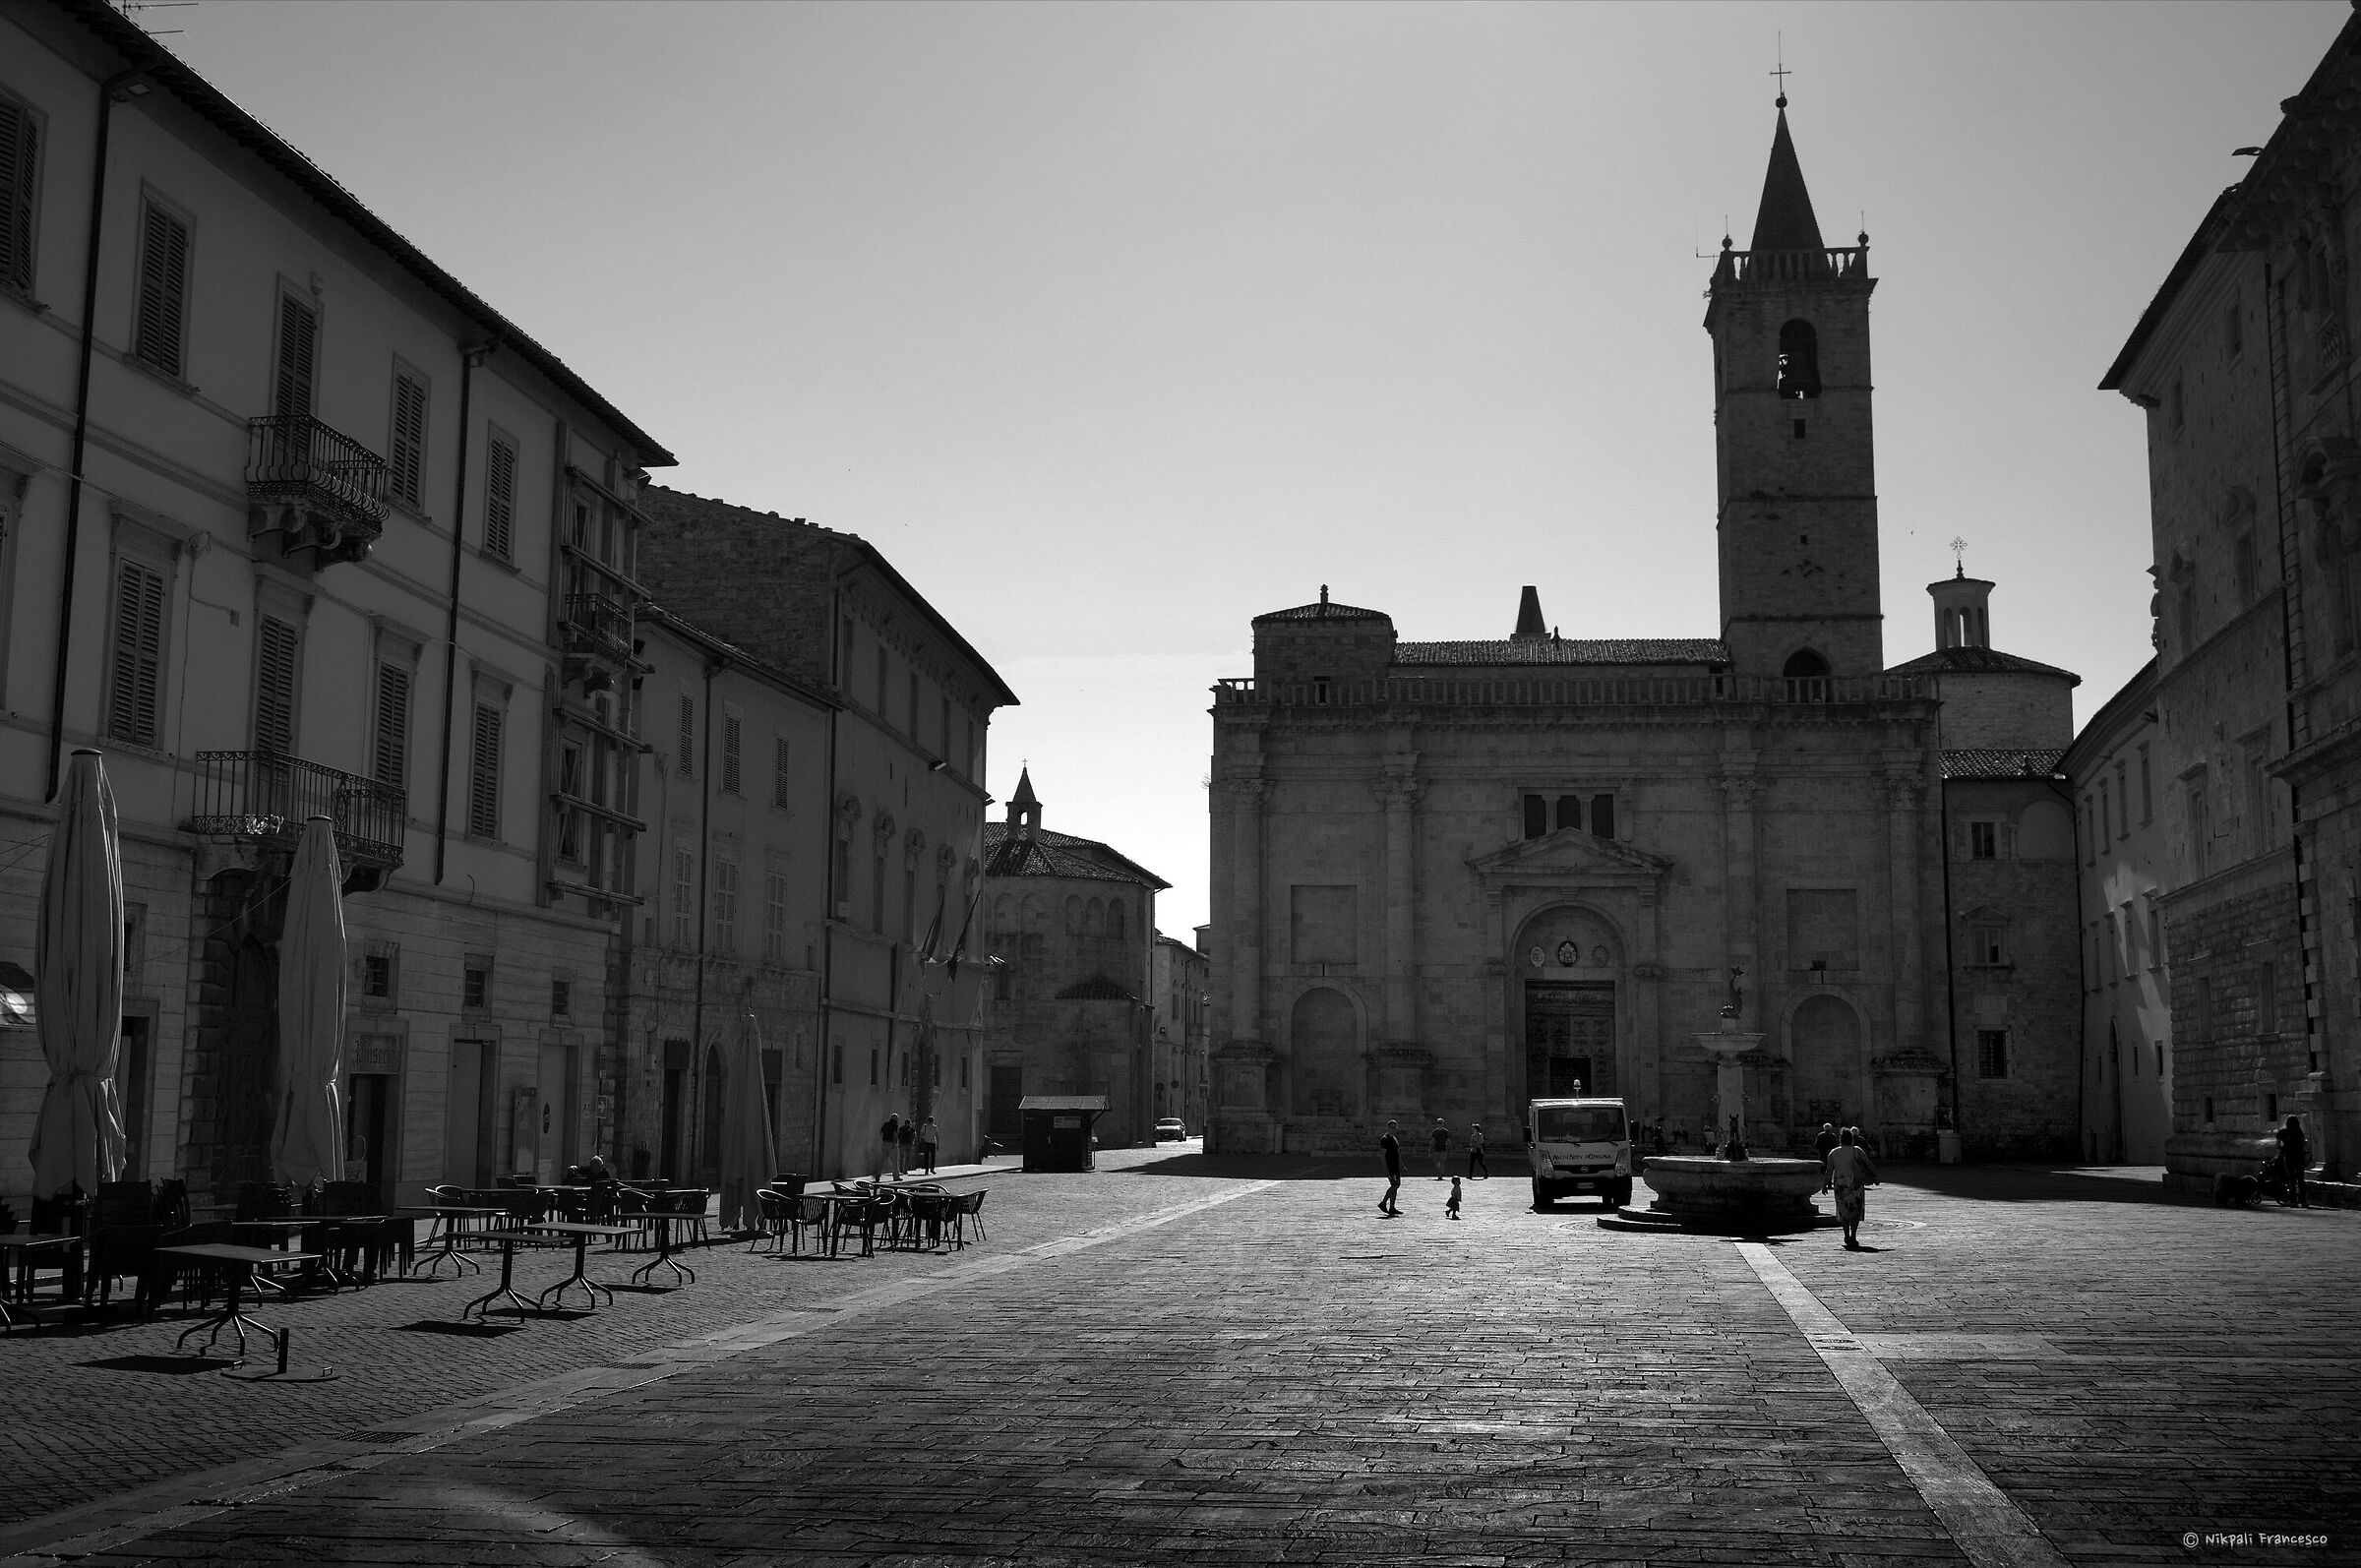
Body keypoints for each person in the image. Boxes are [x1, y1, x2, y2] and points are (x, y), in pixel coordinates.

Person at [1826, 1126, 1879, 1249]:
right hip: (1855, 1184)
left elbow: (1829, 1170)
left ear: (1840, 1139)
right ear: (1851, 1139)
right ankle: (1853, 1236)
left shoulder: (1834, 1152)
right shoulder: (1857, 1150)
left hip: (1841, 1186)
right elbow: (1868, 1163)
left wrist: (1824, 1184)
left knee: (1843, 1211)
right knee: (1855, 1211)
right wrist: (1876, 1176)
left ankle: (1846, 1235)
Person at [2278, 1114, 2312, 1208]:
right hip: (2299, 1156)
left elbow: (2278, 1145)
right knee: (2301, 1178)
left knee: (2291, 1178)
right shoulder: (2299, 1132)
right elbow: (2304, 1144)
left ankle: (2292, 1199)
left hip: (2289, 1157)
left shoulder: (2283, 1132)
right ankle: (2303, 1200)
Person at [1378, 1120, 1403, 1216]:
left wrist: (1402, 1164)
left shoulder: (1394, 1138)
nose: (1394, 1130)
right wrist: (1386, 1169)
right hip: (1390, 1166)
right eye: (1392, 1128)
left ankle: (1392, 1207)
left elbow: (1397, 1153)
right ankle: (1383, 1203)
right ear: (1388, 1128)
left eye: (1395, 1128)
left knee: (1396, 1186)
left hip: (1395, 1166)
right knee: (1394, 1185)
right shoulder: (1385, 1139)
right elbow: (1382, 1155)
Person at [1813, 1122, 1840, 1189]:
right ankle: (1829, 1183)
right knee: (1830, 1169)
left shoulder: (1820, 1135)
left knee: (1823, 1169)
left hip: (1822, 1154)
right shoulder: (1833, 1136)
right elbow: (1836, 1146)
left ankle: (1823, 1183)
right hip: (1831, 1154)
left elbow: (1816, 1145)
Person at [878, 1113, 900, 1179]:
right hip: (892, 1143)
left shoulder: (886, 1124)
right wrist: (895, 1143)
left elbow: (880, 1133)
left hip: (884, 1143)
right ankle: (896, 1176)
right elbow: (895, 1135)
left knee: (883, 1160)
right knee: (894, 1161)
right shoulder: (895, 1125)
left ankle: (878, 1174)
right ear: (896, 1119)